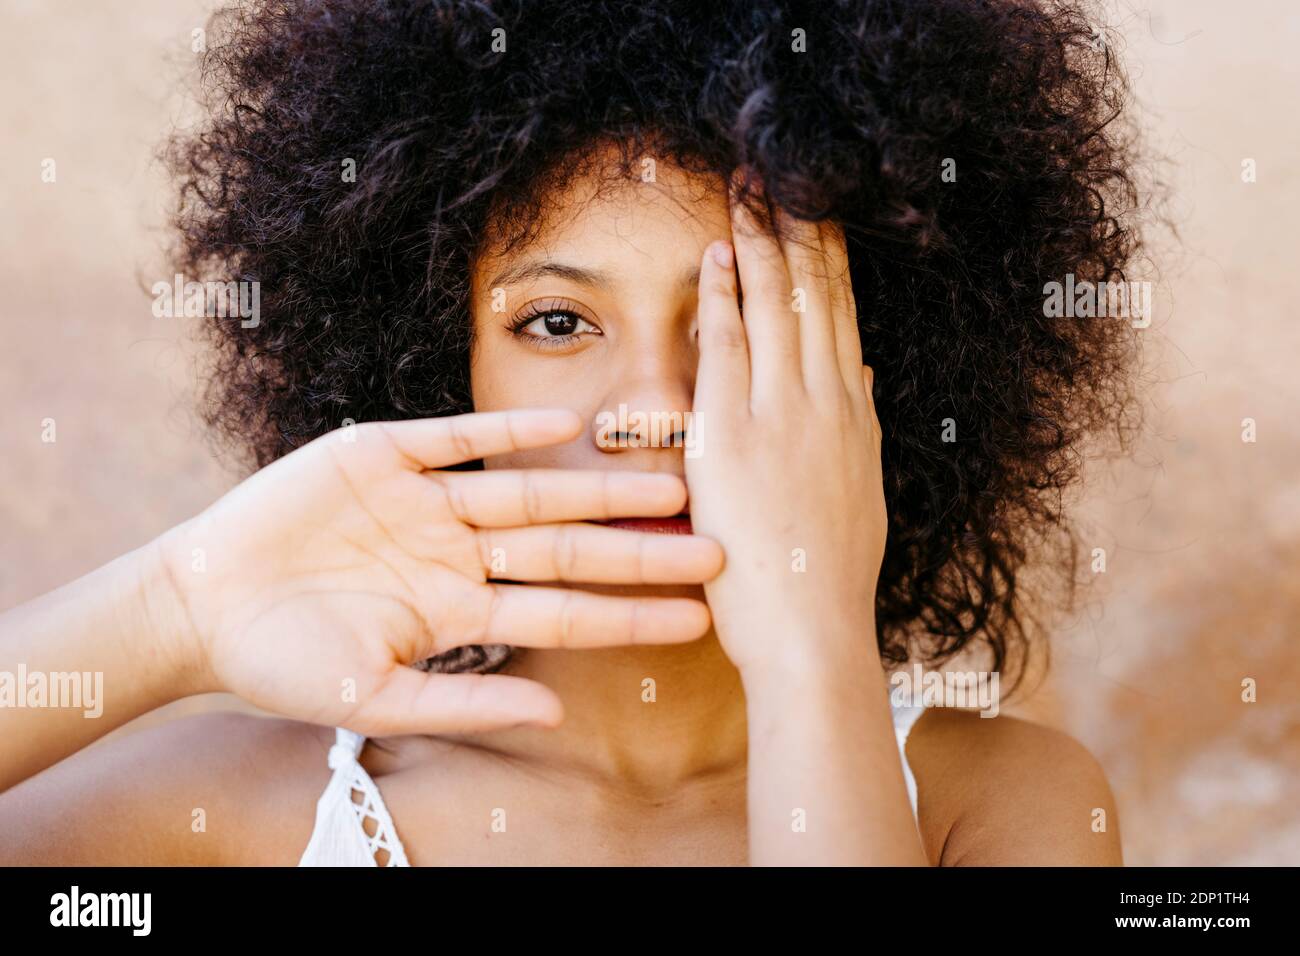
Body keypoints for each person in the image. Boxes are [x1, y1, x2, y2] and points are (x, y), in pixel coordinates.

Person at [0, 0, 1140, 865]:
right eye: (555, 320)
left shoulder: (1001, 802)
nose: (654, 404)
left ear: (867, 375)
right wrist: (174, 606)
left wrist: (811, 654)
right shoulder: (215, 815)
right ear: (438, 367)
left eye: (740, 325)